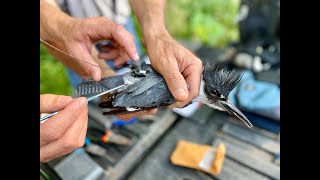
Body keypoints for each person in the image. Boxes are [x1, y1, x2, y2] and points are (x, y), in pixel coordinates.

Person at [40, 0, 156, 162]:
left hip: (121, 24)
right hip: (71, 39)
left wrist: (156, 33)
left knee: (128, 99)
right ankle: (109, 122)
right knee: (98, 105)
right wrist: (67, 28)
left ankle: (125, 118)